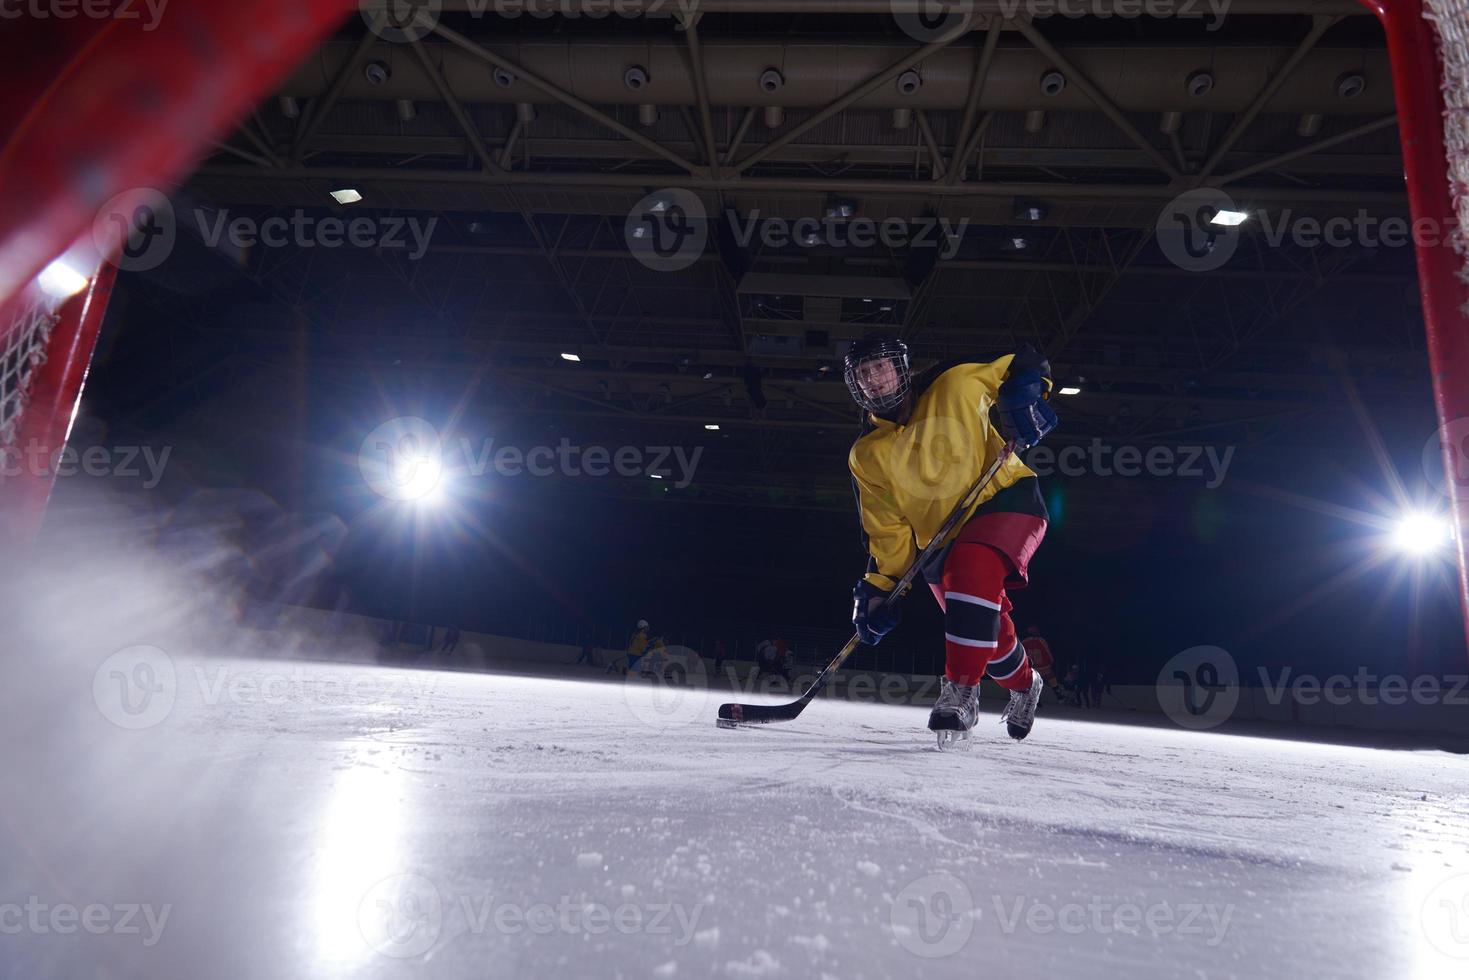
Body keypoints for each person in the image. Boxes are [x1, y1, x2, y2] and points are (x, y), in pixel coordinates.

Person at [844, 333, 1057, 744]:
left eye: (880, 368)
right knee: (987, 632)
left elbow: (1023, 359)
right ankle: (1025, 684)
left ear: (901, 368)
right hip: (941, 542)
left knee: (971, 571)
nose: (875, 381)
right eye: (864, 375)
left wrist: (1028, 393)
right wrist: (879, 588)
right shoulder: (866, 454)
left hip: (1006, 500)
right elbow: (888, 529)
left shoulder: (955, 382)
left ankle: (960, 692)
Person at [1020, 625, 1060, 702]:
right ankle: (1059, 694)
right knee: (1052, 679)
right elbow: (1046, 651)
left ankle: (1036, 700)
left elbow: (1022, 654)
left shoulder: (1024, 642)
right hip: (1043, 666)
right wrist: (1051, 661)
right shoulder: (1040, 640)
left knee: (1033, 683)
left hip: (1032, 667)